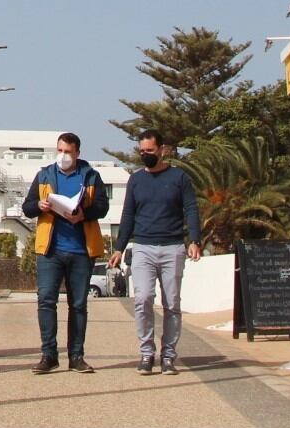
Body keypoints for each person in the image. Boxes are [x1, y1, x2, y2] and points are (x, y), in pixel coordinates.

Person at [108, 129, 201, 374]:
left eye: (150, 151)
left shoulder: (179, 178)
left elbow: (191, 209)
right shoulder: (136, 180)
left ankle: (168, 355)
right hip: (143, 248)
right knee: (143, 299)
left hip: (172, 248)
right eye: (142, 151)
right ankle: (147, 353)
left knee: (172, 304)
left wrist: (194, 240)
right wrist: (119, 247)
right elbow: (128, 214)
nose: (145, 155)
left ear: (161, 149)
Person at [20, 132, 110, 373]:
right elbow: (27, 207)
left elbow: (102, 206)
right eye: (60, 151)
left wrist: (84, 214)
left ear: (77, 153)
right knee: (46, 301)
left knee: (78, 304)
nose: (63, 156)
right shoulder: (44, 175)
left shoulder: (91, 176)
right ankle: (48, 355)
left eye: (68, 152)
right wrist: (39, 205)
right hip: (50, 250)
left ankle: (76, 356)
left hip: (81, 250)